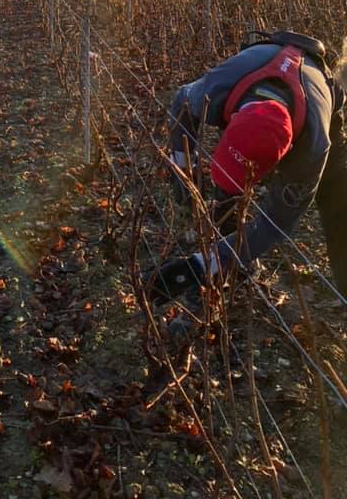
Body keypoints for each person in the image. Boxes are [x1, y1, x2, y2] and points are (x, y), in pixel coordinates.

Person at [147, 31, 347, 306]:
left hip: (320, 95)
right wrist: (182, 173)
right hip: (258, 67)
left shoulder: (313, 147)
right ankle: (228, 233)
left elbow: (276, 224)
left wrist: (202, 264)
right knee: (229, 189)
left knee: (338, 203)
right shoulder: (218, 89)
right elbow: (182, 102)